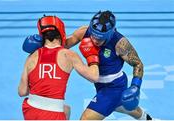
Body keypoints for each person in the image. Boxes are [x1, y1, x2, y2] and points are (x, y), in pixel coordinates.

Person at [22, 11, 153, 120]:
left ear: (109, 35)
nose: (94, 41)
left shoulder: (120, 43)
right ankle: (147, 118)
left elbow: (137, 63)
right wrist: (42, 44)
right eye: (93, 36)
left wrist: (135, 86)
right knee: (122, 106)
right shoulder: (84, 32)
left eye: (99, 39)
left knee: (86, 119)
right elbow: (62, 45)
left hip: (114, 87)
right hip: (100, 86)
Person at [18, 15, 100, 120]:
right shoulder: (69, 55)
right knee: (62, 109)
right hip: (53, 115)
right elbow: (94, 77)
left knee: (66, 109)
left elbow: (22, 92)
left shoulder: (31, 56)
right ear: (62, 32)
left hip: (30, 110)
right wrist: (92, 56)